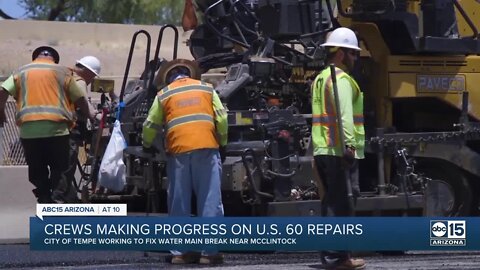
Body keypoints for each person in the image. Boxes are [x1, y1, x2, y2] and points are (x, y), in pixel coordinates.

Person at [142, 59, 228, 265]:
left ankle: (180, 252)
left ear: (168, 78)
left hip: (178, 151)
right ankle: (209, 253)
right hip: (207, 148)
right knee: (209, 201)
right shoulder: (206, 89)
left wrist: (147, 145)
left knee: (179, 201)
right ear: (190, 74)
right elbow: (222, 118)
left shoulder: (164, 94)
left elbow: (150, 124)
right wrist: (222, 142)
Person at [0, 46, 94, 203]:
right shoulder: (62, 72)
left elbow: (2, 91)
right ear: (54, 59)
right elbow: (80, 98)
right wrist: (92, 115)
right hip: (57, 131)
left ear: (35, 58)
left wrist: (1, 111)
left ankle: (44, 199)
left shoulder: (20, 72)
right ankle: (57, 203)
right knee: (60, 171)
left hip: (29, 131)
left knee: (37, 170)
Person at [311, 27, 366, 270]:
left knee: (331, 204)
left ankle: (332, 255)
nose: (355, 59)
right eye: (353, 54)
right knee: (339, 205)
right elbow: (344, 116)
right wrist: (350, 147)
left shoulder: (320, 78)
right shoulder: (341, 80)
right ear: (342, 54)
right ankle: (338, 258)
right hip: (337, 151)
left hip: (323, 149)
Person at [58, 55, 103, 203]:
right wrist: (95, 116)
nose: (92, 80)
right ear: (87, 71)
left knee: (61, 165)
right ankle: (62, 199)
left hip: (57, 126)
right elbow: (82, 102)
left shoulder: (65, 76)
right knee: (68, 166)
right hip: (72, 127)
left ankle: (67, 196)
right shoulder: (80, 81)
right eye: (93, 75)